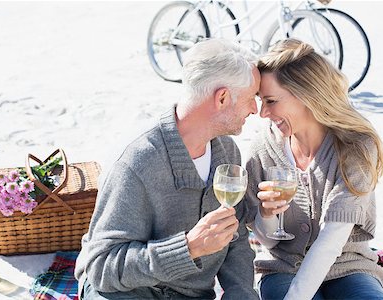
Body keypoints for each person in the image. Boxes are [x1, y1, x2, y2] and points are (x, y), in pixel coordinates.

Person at [75, 38, 261, 299]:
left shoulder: (227, 154)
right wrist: (188, 247)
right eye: (251, 98)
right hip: (125, 292)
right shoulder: (137, 161)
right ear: (222, 98)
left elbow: (236, 235)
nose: (256, 109)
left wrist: (241, 292)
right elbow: (101, 267)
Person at [245, 39, 383, 300]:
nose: (263, 113)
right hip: (282, 268)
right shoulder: (262, 148)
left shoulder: (355, 147)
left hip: (349, 267)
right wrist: (266, 216)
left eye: (271, 101)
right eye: (260, 100)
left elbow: (331, 243)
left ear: (306, 94)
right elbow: (267, 241)